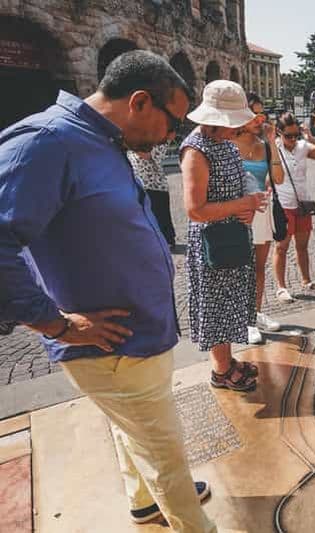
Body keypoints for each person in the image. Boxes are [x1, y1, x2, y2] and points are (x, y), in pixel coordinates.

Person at [0, 50, 215, 530]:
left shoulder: (102, 141)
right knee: (166, 454)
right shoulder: (47, 142)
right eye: (172, 122)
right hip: (113, 349)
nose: (172, 137)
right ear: (140, 102)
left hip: (133, 342)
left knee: (136, 433)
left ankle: (143, 499)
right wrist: (53, 322)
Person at [181, 80, 270, 392]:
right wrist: (242, 205)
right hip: (213, 243)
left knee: (229, 302)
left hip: (231, 235)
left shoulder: (225, 143)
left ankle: (227, 361)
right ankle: (221, 371)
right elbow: (195, 210)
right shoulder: (196, 150)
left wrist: (249, 204)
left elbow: (240, 182)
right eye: (231, 123)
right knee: (218, 306)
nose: (237, 129)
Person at [231, 95, 284, 344]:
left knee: (258, 268)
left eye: (262, 114)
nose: (260, 119)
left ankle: (255, 313)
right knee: (239, 267)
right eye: (255, 114)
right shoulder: (228, 143)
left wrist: (272, 142)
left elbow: (279, 177)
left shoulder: (263, 146)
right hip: (236, 213)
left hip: (261, 212)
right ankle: (241, 318)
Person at [272, 112, 315, 301]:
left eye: (295, 135)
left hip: (302, 204)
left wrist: (312, 138)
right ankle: (281, 287)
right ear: (278, 132)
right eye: (287, 136)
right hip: (283, 204)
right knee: (281, 247)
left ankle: (306, 280)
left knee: (302, 246)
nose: (292, 139)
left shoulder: (302, 147)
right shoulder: (273, 148)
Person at [127, 143, 176, 247]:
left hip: (156, 186)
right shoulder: (135, 143)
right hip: (140, 185)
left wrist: (128, 144)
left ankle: (168, 241)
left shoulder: (158, 144)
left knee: (161, 216)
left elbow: (146, 155)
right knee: (146, 216)